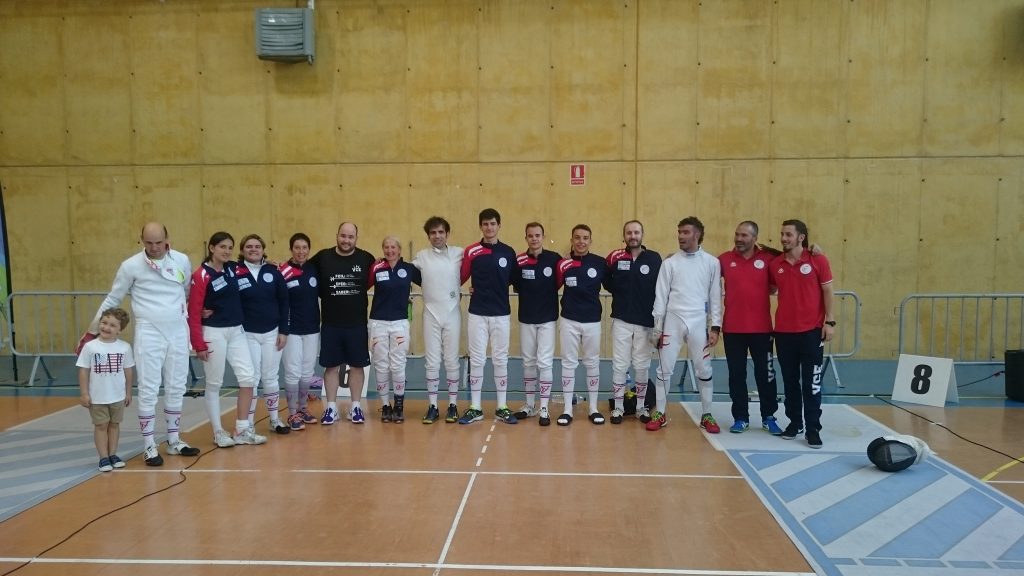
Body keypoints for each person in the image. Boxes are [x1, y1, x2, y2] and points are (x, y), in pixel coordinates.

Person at [81, 222, 199, 467]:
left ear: (167, 238)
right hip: (149, 332)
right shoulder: (131, 266)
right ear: (142, 241)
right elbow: (113, 298)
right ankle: (149, 445)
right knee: (149, 388)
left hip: (178, 329)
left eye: (159, 242)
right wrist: (91, 331)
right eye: (149, 243)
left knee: (177, 385)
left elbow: (187, 291)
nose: (154, 247)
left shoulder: (181, 260)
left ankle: (174, 439)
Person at [188, 232, 266, 447]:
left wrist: (270, 265)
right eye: (222, 247)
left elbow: (254, 265)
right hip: (213, 332)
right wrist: (198, 344)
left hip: (237, 331)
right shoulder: (201, 275)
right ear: (211, 248)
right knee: (214, 383)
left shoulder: (233, 268)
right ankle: (218, 432)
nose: (227, 251)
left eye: (230, 247)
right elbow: (193, 312)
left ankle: (242, 429)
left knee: (248, 378)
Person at [649, 217, 722, 432]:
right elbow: (660, 296)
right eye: (679, 232)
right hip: (673, 321)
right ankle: (660, 413)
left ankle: (707, 414)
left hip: (698, 322)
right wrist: (657, 327)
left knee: (704, 368)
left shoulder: (711, 263)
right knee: (664, 369)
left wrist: (715, 326)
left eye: (686, 232)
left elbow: (715, 296)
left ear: (697, 234)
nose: (680, 236)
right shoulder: (670, 263)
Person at [769, 219, 835, 449]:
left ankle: (813, 428)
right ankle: (795, 423)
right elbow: (770, 287)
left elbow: (828, 291)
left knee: (812, 383)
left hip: (811, 332)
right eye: (782, 234)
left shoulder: (818, 260)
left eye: (788, 234)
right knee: (790, 382)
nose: (784, 238)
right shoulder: (775, 264)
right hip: (784, 333)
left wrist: (830, 322)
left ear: (801, 237)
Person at [719, 221, 783, 435]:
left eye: (744, 235)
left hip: (762, 330)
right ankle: (740, 417)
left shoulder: (768, 259)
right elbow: (700, 269)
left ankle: (769, 416)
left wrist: (812, 250)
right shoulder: (724, 260)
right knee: (736, 375)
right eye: (737, 234)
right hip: (732, 329)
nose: (739, 239)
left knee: (766, 374)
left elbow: (778, 281)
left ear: (755, 238)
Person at [309, 222, 375, 425]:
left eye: (350, 237)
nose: (346, 240)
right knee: (331, 367)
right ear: (337, 235)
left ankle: (355, 407)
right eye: (343, 236)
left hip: (357, 324)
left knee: (357, 366)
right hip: (331, 323)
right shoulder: (322, 258)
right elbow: (303, 270)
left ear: (356, 238)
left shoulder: (366, 259)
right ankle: (331, 407)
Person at [459, 208, 518, 425]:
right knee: (477, 359)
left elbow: (515, 280)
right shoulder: (472, 251)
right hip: (477, 313)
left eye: (493, 223)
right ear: (480, 226)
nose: (489, 227)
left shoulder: (508, 252)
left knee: (501, 359)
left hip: (501, 314)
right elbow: (460, 277)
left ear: (499, 225)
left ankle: (502, 406)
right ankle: (475, 407)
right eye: (485, 224)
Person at [604, 220, 661, 425]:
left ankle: (640, 407)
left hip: (645, 322)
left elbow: (660, 287)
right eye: (629, 233)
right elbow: (606, 280)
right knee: (620, 365)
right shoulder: (615, 257)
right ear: (624, 236)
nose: (633, 236)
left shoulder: (654, 258)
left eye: (636, 232)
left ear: (642, 234)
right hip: (621, 319)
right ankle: (618, 408)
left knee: (642, 366)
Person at [411, 217, 463, 424]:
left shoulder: (459, 253)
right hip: (430, 314)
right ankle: (432, 406)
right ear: (428, 236)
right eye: (433, 233)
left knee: (451, 360)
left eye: (441, 232)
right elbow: (403, 271)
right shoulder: (421, 256)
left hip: (452, 313)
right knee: (432, 362)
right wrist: (384, 262)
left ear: (447, 234)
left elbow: (477, 267)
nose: (437, 236)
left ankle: (453, 405)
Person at [237, 234, 290, 435]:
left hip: (272, 333)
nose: (253, 249)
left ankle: (274, 419)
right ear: (242, 250)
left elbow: (284, 302)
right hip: (247, 334)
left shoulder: (273, 271)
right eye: (249, 246)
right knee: (251, 378)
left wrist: (283, 331)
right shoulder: (234, 271)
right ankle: (248, 422)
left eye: (257, 246)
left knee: (271, 376)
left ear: (263, 249)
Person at [556, 224, 608, 426]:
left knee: (592, 363)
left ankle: (593, 408)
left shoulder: (600, 263)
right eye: (577, 237)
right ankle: (567, 409)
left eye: (585, 238)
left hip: (592, 321)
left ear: (590, 241)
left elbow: (617, 285)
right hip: (569, 320)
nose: (581, 241)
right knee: (568, 363)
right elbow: (549, 286)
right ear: (572, 240)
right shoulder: (563, 264)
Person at [511, 222, 561, 426]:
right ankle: (530, 404)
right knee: (528, 362)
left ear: (543, 237)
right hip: (526, 318)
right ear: (526, 238)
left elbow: (559, 281)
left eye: (537, 235)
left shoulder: (554, 259)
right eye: (530, 236)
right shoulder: (519, 261)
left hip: (548, 319)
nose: (534, 239)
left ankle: (544, 408)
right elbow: (515, 284)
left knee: (545, 363)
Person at [369, 236, 421, 423]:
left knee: (398, 364)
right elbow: (361, 286)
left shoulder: (409, 269)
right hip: (378, 323)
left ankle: (399, 406)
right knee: (381, 364)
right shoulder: (376, 267)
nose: (390, 250)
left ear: (399, 250)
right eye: (386, 247)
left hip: (399, 323)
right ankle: (385, 406)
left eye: (393, 247)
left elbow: (430, 283)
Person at [77, 307, 135, 472]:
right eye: (104, 323)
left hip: (117, 395)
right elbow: (83, 370)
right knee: (101, 425)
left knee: (114, 424)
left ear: (120, 330)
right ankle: (103, 457)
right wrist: (84, 393)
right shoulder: (90, 347)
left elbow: (128, 371)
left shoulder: (125, 347)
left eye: (112, 325)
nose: (106, 327)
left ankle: (113, 454)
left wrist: (128, 392)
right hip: (97, 397)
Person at [279, 233, 321, 431]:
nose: (301, 252)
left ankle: (303, 408)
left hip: (312, 328)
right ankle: (291, 412)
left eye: (305, 248)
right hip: (291, 330)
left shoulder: (314, 269)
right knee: (293, 371)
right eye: (297, 248)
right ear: (291, 249)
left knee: (307, 372)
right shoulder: (283, 271)